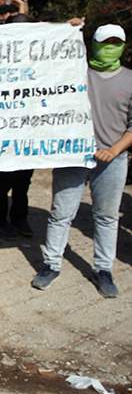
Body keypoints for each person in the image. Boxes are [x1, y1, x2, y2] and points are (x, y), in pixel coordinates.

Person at [32, 24, 132, 298]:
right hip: (72, 157)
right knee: (60, 213)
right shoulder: (73, 73)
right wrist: (65, 30)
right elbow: (44, 69)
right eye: (104, 41)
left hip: (113, 161)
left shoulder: (130, 79)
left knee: (107, 217)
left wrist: (113, 150)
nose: (109, 47)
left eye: (115, 42)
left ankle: (103, 269)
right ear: (93, 43)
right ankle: (51, 265)